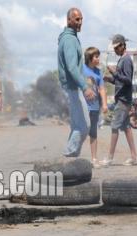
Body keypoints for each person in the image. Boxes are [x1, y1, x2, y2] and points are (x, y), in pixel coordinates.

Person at [58, 8, 95, 157]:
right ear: (68, 20)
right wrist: (84, 87)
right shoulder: (69, 40)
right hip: (72, 88)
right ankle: (68, 154)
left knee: (76, 127)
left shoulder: (69, 38)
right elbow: (72, 67)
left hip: (72, 87)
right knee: (84, 126)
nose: (80, 22)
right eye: (76, 19)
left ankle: (71, 160)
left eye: (81, 19)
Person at [102, 34, 137, 166]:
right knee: (126, 127)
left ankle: (110, 157)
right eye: (115, 48)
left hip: (123, 100)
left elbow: (128, 80)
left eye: (117, 47)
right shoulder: (122, 59)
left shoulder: (126, 60)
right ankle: (134, 157)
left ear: (123, 45)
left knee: (114, 127)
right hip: (122, 98)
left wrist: (114, 73)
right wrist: (110, 79)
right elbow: (120, 81)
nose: (116, 50)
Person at [83, 47, 108, 167]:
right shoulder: (81, 69)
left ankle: (94, 159)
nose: (98, 58)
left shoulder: (99, 72)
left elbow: (102, 89)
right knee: (81, 131)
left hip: (94, 107)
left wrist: (104, 104)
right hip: (83, 107)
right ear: (89, 58)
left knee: (93, 133)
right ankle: (74, 156)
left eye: (98, 56)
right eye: (96, 56)